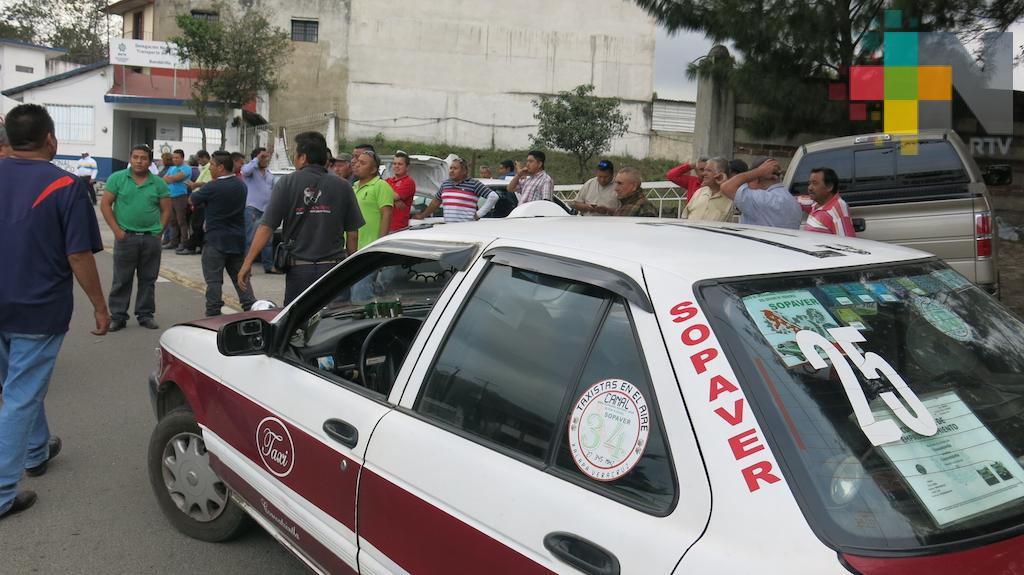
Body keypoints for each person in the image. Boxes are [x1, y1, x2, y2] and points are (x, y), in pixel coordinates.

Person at [0, 104, 109, 521]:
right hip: (37, 308)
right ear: (51, 139)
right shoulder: (65, 185)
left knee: (18, 386)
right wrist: (100, 307)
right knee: (20, 394)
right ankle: (3, 491)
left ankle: (36, 449)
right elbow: (79, 255)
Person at [239, 131, 364, 305]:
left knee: (298, 327)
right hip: (333, 270)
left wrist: (247, 263)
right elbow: (353, 234)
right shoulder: (343, 186)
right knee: (334, 324)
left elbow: (266, 227)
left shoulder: (286, 183)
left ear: (303, 157)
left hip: (300, 271)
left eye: (295, 154)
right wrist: (351, 269)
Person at [101, 145, 172, 331]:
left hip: (151, 239)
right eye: (135, 157)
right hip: (126, 238)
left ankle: (145, 314)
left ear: (150, 161)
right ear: (130, 159)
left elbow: (166, 210)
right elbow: (106, 205)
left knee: (148, 279)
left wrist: (159, 232)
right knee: (121, 279)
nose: (139, 161)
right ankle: (117, 316)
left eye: (143, 158)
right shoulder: (117, 179)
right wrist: (117, 231)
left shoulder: (158, 183)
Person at [191, 151, 257, 316]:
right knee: (241, 279)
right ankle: (252, 309)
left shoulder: (212, 186)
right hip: (237, 240)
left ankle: (213, 313)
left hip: (215, 241)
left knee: (214, 281)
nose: (210, 168)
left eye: (212, 165)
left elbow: (193, 199)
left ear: (221, 167)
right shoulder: (241, 185)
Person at [719, 157, 802, 229]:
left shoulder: (761, 199)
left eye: (748, 182)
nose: (747, 186)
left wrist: (758, 171)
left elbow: (726, 187)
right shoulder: (794, 202)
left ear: (757, 178)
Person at [414, 157, 498, 222]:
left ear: (464, 171)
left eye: (455, 168)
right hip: (449, 227)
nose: (451, 171)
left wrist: (479, 214)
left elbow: (493, 196)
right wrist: (422, 215)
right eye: (451, 168)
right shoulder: (445, 184)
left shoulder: (473, 184)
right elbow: (436, 202)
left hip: (467, 227)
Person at [241, 147, 277, 274]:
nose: (265, 160)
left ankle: (269, 266)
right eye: (263, 157)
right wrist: (257, 159)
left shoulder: (269, 174)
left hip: (267, 210)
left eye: (267, 157)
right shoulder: (251, 171)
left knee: (268, 240)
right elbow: (244, 171)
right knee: (250, 239)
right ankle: (246, 267)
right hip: (253, 209)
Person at [352, 150, 394, 251]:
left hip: (370, 247)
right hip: (352, 247)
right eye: (358, 161)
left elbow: (386, 215)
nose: (357, 165)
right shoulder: (354, 186)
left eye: (362, 163)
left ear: (373, 169)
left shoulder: (381, 185)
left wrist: (380, 245)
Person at [800, 167, 855, 236]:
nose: (810, 188)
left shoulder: (837, 211)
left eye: (815, 183)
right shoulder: (817, 202)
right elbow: (798, 201)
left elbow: (847, 243)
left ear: (829, 187)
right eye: (809, 183)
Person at [179, 149, 212, 255]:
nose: (198, 162)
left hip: (202, 199)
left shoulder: (209, 168)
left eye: (199, 159)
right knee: (196, 224)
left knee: (197, 225)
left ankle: (192, 247)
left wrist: (195, 185)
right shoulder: (203, 168)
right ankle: (198, 245)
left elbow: (207, 183)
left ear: (204, 158)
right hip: (198, 198)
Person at [682, 157, 735, 222]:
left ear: (720, 175)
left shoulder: (731, 197)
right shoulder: (700, 192)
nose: (703, 174)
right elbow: (685, 217)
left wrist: (726, 185)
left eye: (709, 170)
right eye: (704, 170)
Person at [162, 149, 191, 249]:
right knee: (172, 221)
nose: (174, 159)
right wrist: (170, 178)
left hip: (180, 196)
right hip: (170, 196)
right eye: (173, 158)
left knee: (181, 220)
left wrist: (170, 178)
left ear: (182, 158)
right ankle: (173, 242)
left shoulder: (186, 168)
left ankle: (184, 242)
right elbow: (164, 179)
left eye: (177, 158)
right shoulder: (172, 168)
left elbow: (173, 179)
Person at [387, 151, 416, 231]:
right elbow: (379, 194)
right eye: (394, 163)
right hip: (384, 225)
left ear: (407, 167)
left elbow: (394, 196)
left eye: (400, 164)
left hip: (398, 228)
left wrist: (394, 198)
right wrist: (394, 199)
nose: (396, 166)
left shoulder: (409, 182)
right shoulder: (388, 180)